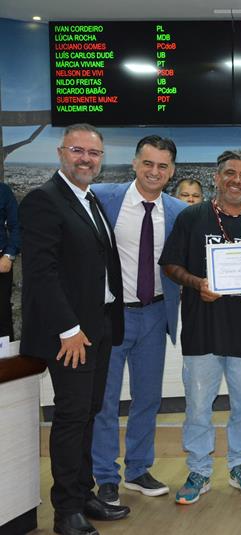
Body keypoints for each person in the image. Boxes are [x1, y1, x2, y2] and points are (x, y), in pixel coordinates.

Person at [20, 123, 130, 535]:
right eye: (78, 151)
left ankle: (83, 494)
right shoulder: (43, 200)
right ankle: (66, 511)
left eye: (94, 153)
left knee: (88, 413)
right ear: (61, 152)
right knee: (70, 417)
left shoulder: (89, 200)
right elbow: (42, 273)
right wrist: (68, 328)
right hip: (70, 334)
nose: (86, 159)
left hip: (97, 326)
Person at [159, 150, 241, 505]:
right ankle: (199, 470)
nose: (237, 180)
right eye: (230, 173)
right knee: (197, 406)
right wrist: (197, 283)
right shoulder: (192, 217)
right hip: (202, 329)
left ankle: (240, 465)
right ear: (217, 177)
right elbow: (170, 265)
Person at [90, 135, 187, 506]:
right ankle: (105, 475)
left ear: (172, 171)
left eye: (162, 166)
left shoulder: (178, 211)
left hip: (156, 314)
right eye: (147, 163)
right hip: (113, 315)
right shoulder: (103, 199)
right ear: (134, 163)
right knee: (106, 400)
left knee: (147, 398)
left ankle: (138, 469)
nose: (154, 172)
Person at [0, 180, 20, 340]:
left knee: (2, 315)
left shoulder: (3, 191)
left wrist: (9, 255)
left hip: (1, 262)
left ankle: (5, 361)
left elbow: (17, 225)